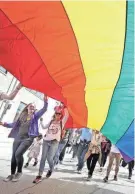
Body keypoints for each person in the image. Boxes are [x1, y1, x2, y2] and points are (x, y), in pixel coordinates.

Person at [0, 95, 48, 182]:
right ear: (27, 108)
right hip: (18, 137)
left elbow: (44, 109)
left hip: (28, 138)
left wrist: (45, 101)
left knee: (18, 154)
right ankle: (11, 174)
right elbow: (14, 124)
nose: (32, 108)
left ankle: (19, 172)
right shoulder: (22, 115)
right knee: (13, 156)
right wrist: (4, 124)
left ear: (35, 109)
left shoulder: (35, 116)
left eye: (34, 107)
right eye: (31, 106)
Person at [33, 105, 69, 183]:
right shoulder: (51, 121)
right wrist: (41, 121)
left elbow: (67, 115)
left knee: (49, 158)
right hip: (46, 140)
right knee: (43, 158)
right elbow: (43, 127)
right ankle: (39, 175)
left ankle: (51, 169)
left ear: (61, 115)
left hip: (54, 142)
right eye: (56, 113)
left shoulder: (61, 122)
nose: (58, 115)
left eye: (59, 114)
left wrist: (65, 106)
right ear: (54, 114)